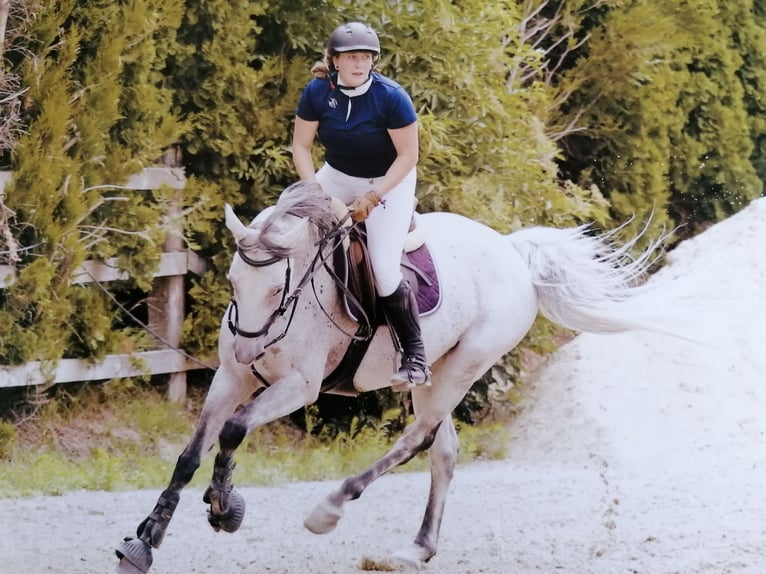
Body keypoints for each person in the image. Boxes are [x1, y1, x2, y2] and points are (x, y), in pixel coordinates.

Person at [291, 22, 430, 387]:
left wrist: (374, 196)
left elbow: (409, 155)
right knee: (285, 218)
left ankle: (415, 355)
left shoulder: (392, 96)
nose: (359, 64)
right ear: (334, 61)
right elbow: (301, 148)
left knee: (384, 270)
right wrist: (313, 192)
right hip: (336, 175)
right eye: (351, 57)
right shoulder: (318, 92)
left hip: (388, 182)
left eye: (366, 58)